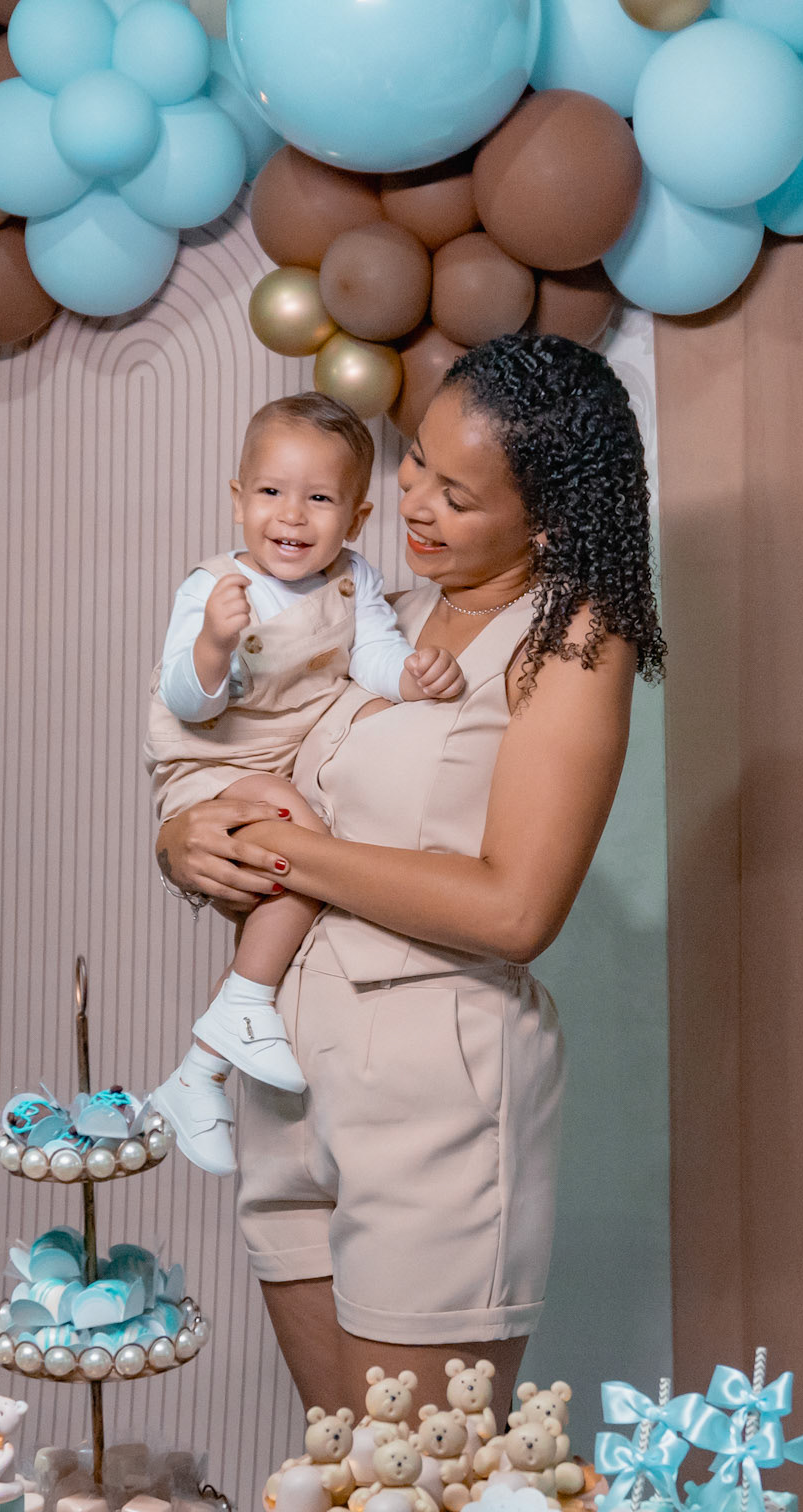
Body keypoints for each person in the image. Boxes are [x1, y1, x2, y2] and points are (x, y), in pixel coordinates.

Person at [155, 333, 665, 1453]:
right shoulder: (368, 610)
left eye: (457, 495)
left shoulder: (574, 643)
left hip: (435, 1083)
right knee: (338, 1481)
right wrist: (186, 838)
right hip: (288, 1067)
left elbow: (516, 910)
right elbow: (242, 756)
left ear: (545, 522)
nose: (414, 503)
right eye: (418, 462)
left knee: (418, 1499)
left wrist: (287, 852)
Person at [145, 392, 465, 1176]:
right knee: (303, 842)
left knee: (297, 874)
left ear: (355, 519)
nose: (290, 515)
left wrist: (412, 677)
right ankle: (241, 1010)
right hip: (210, 768)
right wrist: (213, 644)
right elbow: (187, 701)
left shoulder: (353, 582)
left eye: (319, 499)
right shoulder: (217, 588)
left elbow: (373, 655)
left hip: (276, 770)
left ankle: (201, 1071)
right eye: (270, 492)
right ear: (237, 500)